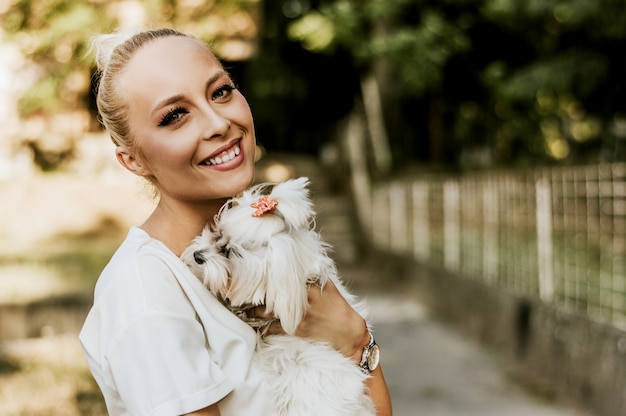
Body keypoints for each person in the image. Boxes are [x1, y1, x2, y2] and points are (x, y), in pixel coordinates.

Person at [79, 27, 392, 416]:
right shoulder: (147, 297)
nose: (217, 123)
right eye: (175, 115)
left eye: (220, 92)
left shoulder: (267, 244)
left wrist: (357, 341)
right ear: (133, 160)